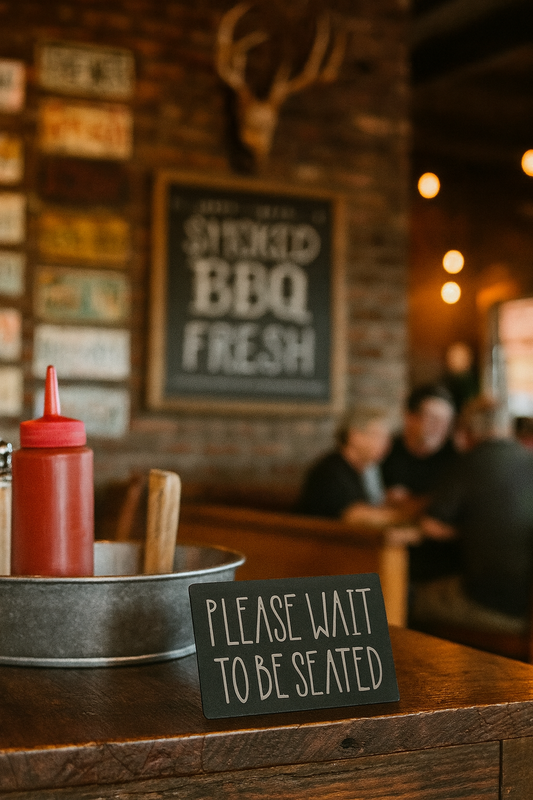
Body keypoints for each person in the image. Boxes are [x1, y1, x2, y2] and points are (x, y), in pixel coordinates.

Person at [411, 396, 533, 634]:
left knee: (400, 595)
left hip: (492, 605)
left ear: (468, 431)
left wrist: (472, 529)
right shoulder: (529, 460)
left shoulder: (469, 462)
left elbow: (431, 525)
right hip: (525, 605)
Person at [381, 383, 459, 581]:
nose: (440, 428)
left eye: (446, 422)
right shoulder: (385, 451)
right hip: (388, 553)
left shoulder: (456, 458)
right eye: (433, 419)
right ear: (410, 417)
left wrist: (410, 504)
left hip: (442, 562)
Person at [296, 409, 410, 527]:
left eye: (387, 437)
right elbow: (356, 516)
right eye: (378, 435)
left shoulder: (368, 469)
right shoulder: (330, 471)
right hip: (318, 542)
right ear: (354, 436)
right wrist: (408, 516)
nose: (386, 443)